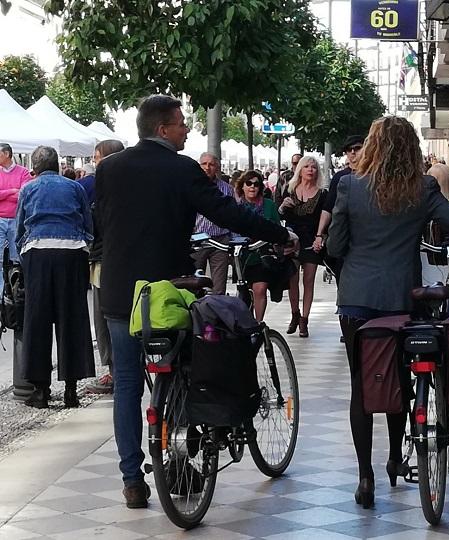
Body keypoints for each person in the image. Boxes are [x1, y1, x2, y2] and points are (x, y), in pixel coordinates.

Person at [95, 95, 297, 509]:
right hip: (167, 289)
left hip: (118, 292)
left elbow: (104, 219)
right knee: (185, 370)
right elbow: (226, 212)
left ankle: (132, 479)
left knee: (128, 385)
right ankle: (182, 467)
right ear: (163, 128)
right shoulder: (181, 168)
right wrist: (279, 234)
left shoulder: (109, 168)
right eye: (181, 123)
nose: (187, 129)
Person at [327, 116, 449, 509]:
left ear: (372, 145)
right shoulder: (422, 187)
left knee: (362, 383)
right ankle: (396, 457)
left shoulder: (348, 184)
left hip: (357, 298)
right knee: (397, 376)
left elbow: (335, 245)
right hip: (401, 296)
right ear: (412, 148)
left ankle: (366, 477)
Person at [16, 145, 95, 409]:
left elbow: (20, 226)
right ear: (57, 164)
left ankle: (40, 391)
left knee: (37, 321)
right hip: (71, 253)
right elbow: (87, 224)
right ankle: (71, 389)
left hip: (38, 253)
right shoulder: (75, 188)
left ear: (36, 167)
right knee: (71, 318)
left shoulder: (28, 189)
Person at [84, 140, 125, 395]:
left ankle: (114, 370)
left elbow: (93, 226)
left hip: (105, 262)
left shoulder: (100, 187)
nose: (94, 162)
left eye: (97, 157)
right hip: (129, 262)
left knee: (104, 318)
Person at [279, 155, 327, 338]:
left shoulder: (322, 194)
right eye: (306, 166)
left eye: (314, 167)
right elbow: (280, 215)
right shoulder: (290, 189)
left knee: (309, 280)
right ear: (300, 169)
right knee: (292, 279)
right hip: (292, 239)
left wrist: (320, 237)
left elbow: (325, 217)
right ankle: (294, 313)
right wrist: (283, 206)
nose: (310, 170)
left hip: (311, 241)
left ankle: (304, 319)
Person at [313, 135, 364, 271]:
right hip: (343, 235)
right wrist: (319, 234)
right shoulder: (340, 177)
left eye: (357, 148)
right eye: (349, 149)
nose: (352, 152)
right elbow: (328, 207)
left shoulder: (372, 175)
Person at [234, 170, 280, 321]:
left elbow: (276, 228)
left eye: (256, 184)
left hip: (262, 255)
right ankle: (248, 323)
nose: (252, 187)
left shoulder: (269, 205)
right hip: (242, 256)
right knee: (245, 294)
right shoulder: (235, 207)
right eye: (249, 183)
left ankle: (259, 324)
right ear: (242, 186)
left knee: (260, 289)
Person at [192, 152, 234, 295]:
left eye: (211, 164)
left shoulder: (227, 189)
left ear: (217, 168)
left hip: (220, 240)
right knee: (193, 283)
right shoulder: (192, 186)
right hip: (197, 240)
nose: (207, 167)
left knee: (219, 286)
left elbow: (232, 215)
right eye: (204, 164)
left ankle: (217, 313)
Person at [0, 143, 30, 293]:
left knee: (17, 259)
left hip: (16, 219)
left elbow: (23, 195)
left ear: (6, 154)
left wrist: (3, 194)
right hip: (1, 219)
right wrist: (12, 190)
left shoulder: (24, 173)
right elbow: (18, 193)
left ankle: (16, 291)